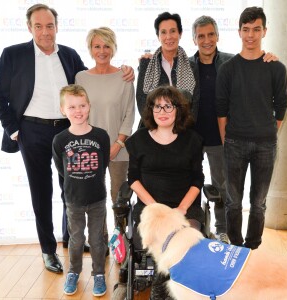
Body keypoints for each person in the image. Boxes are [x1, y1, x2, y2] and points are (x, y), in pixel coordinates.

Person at [0, 3, 134, 274]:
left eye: (49, 25)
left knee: (73, 188)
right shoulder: (13, 55)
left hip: (69, 131)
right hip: (30, 131)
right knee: (41, 191)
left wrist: (129, 69)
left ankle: (73, 239)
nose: (45, 31)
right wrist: (14, 130)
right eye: (38, 26)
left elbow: (95, 77)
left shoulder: (69, 56)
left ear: (57, 27)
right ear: (29, 27)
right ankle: (48, 250)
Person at [189, 15, 279, 244]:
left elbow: (255, 67)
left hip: (223, 138)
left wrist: (269, 58)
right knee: (191, 185)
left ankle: (222, 230)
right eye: (201, 36)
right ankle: (194, 230)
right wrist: (147, 58)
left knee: (224, 189)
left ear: (218, 36)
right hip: (192, 138)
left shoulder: (231, 63)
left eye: (211, 34)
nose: (206, 40)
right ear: (194, 39)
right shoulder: (187, 67)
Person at [216, 6, 287, 250]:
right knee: (233, 202)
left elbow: (282, 106)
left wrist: (269, 132)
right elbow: (221, 110)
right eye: (246, 29)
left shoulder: (276, 68)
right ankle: (235, 247)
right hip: (234, 143)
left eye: (256, 29)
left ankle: (252, 247)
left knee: (258, 202)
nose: (251, 35)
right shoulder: (227, 69)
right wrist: (227, 140)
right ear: (239, 32)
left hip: (266, 145)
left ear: (264, 31)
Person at [126, 85, 204, 299]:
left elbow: (198, 179)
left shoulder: (193, 140)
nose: (162, 112)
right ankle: (166, 289)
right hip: (150, 208)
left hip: (185, 207)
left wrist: (181, 208)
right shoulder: (138, 140)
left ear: (178, 109)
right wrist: (156, 207)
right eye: (157, 107)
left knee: (186, 238)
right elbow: (133, 180)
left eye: (168, 107)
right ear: (150, 110)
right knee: (165, 237)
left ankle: (163, 289)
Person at [75, 27, 135, 247]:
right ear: (90, 49)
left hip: (119, 148)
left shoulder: (125, 76)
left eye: (107, 45)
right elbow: (78, 113)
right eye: (97, 46)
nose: (102, 50)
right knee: (95, 199)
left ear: (113, 48)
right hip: (89, 150)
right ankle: (100, 243)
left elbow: (130, 113)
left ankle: (121, 243)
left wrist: (118, 144)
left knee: (119, 199)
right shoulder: (80, 77)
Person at [52, 84, 110, 297]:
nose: (78, 111)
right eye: (72, 107)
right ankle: (73, 272)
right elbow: (61, 169)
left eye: (82, 105)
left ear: (89, 106)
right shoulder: (60, 140)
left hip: (97, 198)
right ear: (62, 110)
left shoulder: (101, 136)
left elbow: (102, 164)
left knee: (96, 239)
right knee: (76, 239)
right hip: (73, 200)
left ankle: (99, 274)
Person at [136, 12, 199, 124]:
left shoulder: (191, 66)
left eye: (173, 31)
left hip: (182, 131)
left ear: (180, 34)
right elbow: (142, 102)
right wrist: (158, 130)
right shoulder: (146, 64)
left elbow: (195, 104)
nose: (168, 37)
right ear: (158, 36)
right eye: (163, 32)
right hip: (151, 131)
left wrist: (180, 129)